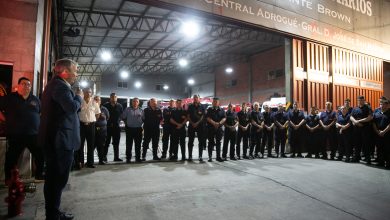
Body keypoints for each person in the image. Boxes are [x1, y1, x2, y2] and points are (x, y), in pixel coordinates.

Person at [39, 58, 82, 220]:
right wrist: (78, 97)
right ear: (64, 72)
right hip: (59, 140)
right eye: (75, 71)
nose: (76, 74)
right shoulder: (60, 86)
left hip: (56, 139)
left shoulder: (55, 85)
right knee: (57, 179)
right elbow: (71, 108)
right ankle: (53, 214)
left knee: (54, 179)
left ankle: (53, 212)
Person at [0, 77, 44, 184]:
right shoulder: (10, 98)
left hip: (33, 134)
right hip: (16, 134)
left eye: (28, 85)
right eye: (23, 84)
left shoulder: (35, 99)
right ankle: (9, 179)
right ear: (18, 85)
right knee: (11, 158)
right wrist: (4, 119)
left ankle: (39, 175)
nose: (26, 86)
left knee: (40, 155)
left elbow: (40, 113)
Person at [74, 87, 100, 169]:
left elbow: (97, 113)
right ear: (83, 93)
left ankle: (90, 163)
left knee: (91, 145)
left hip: (91, 125)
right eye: (87, 92)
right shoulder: (79, 101)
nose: (88, 93)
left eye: (90, 92)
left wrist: (92, 119)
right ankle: (80, 163)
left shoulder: (94, 102)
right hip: (81, 125)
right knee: (80, 145)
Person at [350, 96, 373, 163]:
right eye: (359, 100)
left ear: (364, 100)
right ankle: (356, 158)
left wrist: (359, 121)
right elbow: (351, 117)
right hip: (356, 129)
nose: (360, 101)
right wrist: (355, 122)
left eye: (362, 100)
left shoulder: (368, 108)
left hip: (365, 129)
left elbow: (370, 117)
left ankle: (367, 158)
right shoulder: (355, 108)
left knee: (366, 144)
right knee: (357, 144)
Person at [122, 97, 143, 163]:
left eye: (137, 101)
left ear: (138, 102)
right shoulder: (127, 109)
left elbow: (144, 119)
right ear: (132, 102)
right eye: (134, 101)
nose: (135, 103)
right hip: (129, 129)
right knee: (129, 144)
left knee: (138, 145)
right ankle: (128, 158)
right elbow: (123, 117)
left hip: (138, 129)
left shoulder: (141, 110)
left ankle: (138, 158)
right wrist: (127, 123)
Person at [103, 93, 123, 162]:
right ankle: (104, 157)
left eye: (115, 97)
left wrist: (118, 120)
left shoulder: (119, 106)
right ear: (110, 98)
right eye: (112, 97)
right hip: (107, 127)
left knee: (116, 143)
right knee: (106, 143)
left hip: (116, 127)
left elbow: (121, 115)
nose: (113, 98)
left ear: (116, 98)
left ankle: (116, 157)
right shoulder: (106, 105)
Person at [187, 95, 206, 162]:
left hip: (200, 126)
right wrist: (192, 123)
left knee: (200, 141)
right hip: (191, 126)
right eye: (194, 98)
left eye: (196, 98)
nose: (195, 99)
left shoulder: (202, 106)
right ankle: (190, 156)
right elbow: (188, 116)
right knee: (190, 141)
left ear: (199, 99)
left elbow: (203, 116)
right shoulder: (190, 106)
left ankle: (200, 156)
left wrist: (197, 123)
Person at [206, 97, 226, 162]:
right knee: (210, 142)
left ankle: (218, 157)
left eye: (216, 102)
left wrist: (219, 123)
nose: (215, 103)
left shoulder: (222, 110)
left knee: (218, 143)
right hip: (210, 128)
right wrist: (214, 123)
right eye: (214, 101)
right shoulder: (209, 109)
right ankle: (210, 157)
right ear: (212, 102)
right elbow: (208, 118)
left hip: (219, 129)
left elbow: (224, 118)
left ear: (218, 102)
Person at [372, 99, 390, 168]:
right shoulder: (376, 113)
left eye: (384, 104)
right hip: (378, 134)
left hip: (387, 134)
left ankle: (388, 163)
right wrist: (377, 131)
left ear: (387, 105)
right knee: (379, 148)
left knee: (387, 149)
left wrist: (384, 131)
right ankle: (381, 162)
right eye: (381, 104)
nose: (382, 105)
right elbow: (373, 123)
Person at [94, 95, 109, 165]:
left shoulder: (104, 109)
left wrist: (103, 117)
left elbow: (108, 117)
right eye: (95, 99)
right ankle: (90, 161)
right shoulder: (91, 108)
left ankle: (101, 160)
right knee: (92, 146)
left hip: (102, 130)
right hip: (93, 129)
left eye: (98, 100)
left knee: (101, 146)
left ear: (100, 101)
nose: (97, 101)